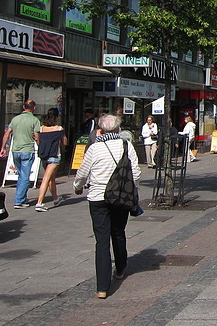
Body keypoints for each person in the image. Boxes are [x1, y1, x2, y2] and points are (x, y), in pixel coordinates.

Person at [73, 114, 141, 299]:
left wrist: (78, 188)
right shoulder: (127, 146)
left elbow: (81, 174)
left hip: (97, 198)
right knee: (118, 232)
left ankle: (102, 287)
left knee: (101, 241)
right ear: (118, 129)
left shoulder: (94, 149)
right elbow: (136, 174)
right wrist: (130, 190)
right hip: (121, 196)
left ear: (100, 130)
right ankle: (120, 268)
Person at [0, 100, 40, 209]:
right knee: (25, 176)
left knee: (21, 175)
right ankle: (19, 200)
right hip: (27, 150)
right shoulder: (34, 120)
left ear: (23, 107)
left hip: (15, 151)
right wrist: (40, 147)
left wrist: (3, 148)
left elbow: (7, 133)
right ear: (34, 108)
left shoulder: (15, 119)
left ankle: (22, 197)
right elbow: (36, 136)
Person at [34, 108, 67, 211]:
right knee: (46, 178)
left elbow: (39, 140)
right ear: (57, 117)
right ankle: (39, 203)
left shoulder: (42, 128)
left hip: (44, 155)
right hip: (54, 156)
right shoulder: (59, 129)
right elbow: (64, 142)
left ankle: (56, 198)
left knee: (51, 178)